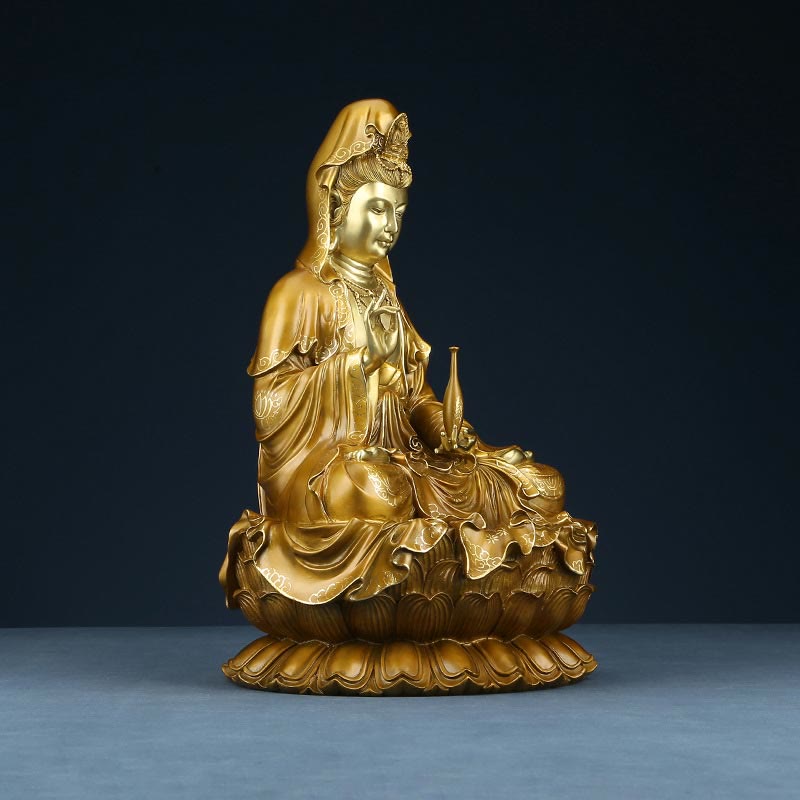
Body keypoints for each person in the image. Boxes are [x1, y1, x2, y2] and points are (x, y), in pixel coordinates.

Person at [221, 99, 594, 607]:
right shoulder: (299, 294)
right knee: (379, 493)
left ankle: (437, 565)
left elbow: (415, 397)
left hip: (409, 461)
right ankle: (421, 578)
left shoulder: (387, 297)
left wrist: (447, 432)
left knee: (537, 488)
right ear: (336, 209)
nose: (390, 225)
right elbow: (268, 408)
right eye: (377, 209)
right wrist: (356, 366)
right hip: (331, 475)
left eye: (398, 212)